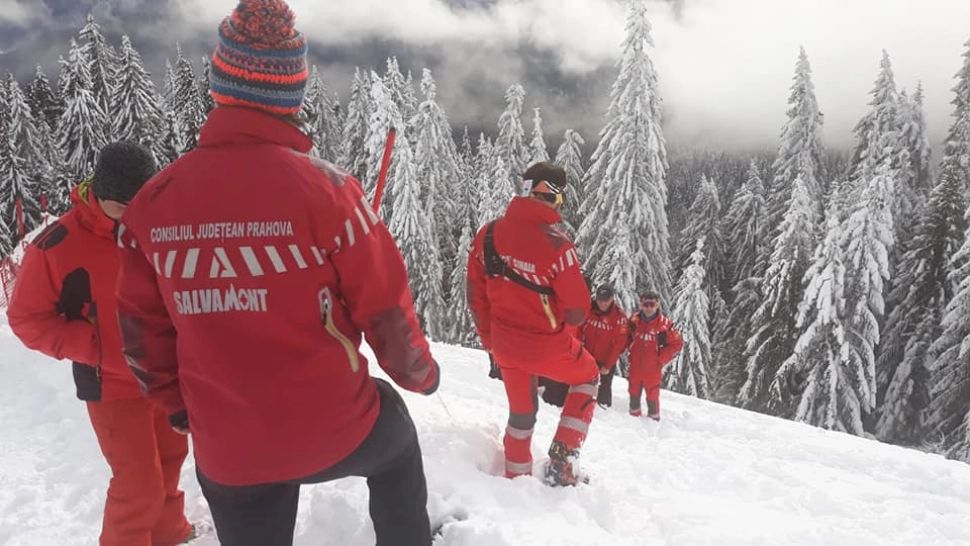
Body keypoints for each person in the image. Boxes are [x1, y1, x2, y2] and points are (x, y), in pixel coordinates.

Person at [114, 1, 440, 544]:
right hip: (334, 426)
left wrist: (178, 408)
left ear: (221, 86)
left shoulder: (152, 205)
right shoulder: (330, 193)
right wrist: (419, 376)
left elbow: (142, 335)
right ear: (291, 93)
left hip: (229, 447)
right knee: (397, 446)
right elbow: (384, 306)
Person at [6, 142, 194, 546]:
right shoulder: (56, 245)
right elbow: (26, 319)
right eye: (122, 206)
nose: (134, 214)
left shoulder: (163, 227)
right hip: (111, 385)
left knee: (171, 460)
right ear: (99, 193)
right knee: (137, 482)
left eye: (142, 202)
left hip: (165, 376)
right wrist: (95, 346)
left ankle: (168, 531)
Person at [467, 161, 599, 487]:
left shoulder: (488, 234)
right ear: (554, 197)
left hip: (505, 346)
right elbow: (577, 312)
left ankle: (516, 479)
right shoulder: (559, 246)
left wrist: (490, 342)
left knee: (522, 414)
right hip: (548, 345)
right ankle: (561, 467)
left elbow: (476, 296)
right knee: (588, 378)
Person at [626, 291, 684, 420]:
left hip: (652, 368)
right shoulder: (634, 321)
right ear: (640, 304)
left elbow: (677, 343)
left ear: (657, 305)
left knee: (652, 394)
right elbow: (626, 336)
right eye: (645, 304)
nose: (648, 308)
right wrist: (630, 349)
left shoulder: (664, 325)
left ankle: (653, 421)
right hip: (635, 366)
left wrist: (660, 357)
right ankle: (632, 421)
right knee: (633, 391)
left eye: (651, 304)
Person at [580, 284, 629, 408]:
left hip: (605, 360)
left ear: (612, 298)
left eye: (605, 300)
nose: (602, 303)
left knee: (604, 390)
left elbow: (619, 344)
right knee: (581, 385)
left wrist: (608, 365)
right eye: (599, 299)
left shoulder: (619, 317)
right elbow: (579, 328)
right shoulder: (589, 309)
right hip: (586, 356)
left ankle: (605, 412)